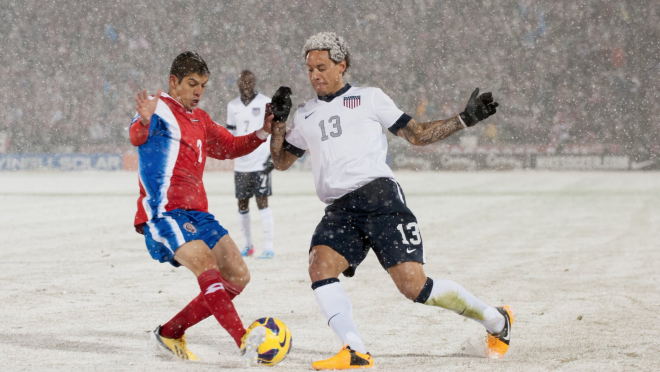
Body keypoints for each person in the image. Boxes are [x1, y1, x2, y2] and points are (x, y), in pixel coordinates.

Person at [269, 32, 511, 370]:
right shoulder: (306, 114)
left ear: (343, 65)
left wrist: (464, 119)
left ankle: (497, 320)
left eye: (321, 67)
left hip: (380, 199)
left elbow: (417, 135)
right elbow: (280, 161)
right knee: (319, 267)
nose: (314, 76)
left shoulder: (369, 98)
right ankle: (355, 350)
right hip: (340, 210)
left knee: (415, 287)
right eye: (309, 69)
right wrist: (278, 122)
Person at [130, 51, 272, 365]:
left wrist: (264, 131)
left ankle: (170, 332)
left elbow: (232, 146)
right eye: (192, 84)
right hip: (164, 213)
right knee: (206, 263)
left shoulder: (201, 119)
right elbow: (136, 135)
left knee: (237, 274)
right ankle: (244, 340)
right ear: (173, 81)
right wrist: (142, 120)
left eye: (203, 85)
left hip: (199, 215)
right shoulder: (158, 108)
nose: (198, 91)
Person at [226, 70, 275, 259]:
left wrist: (272, 156)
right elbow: (230, 134)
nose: (245, 85)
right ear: (238, 83)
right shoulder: (233, 106)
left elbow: (274, 130)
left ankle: (269, 247)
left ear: (254, 82)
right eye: (242, 82)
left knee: (262, 202)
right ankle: (248, 245)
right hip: (241, 163)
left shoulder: (265, 102)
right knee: (242, 204)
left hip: (260, 161)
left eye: (249, 82)